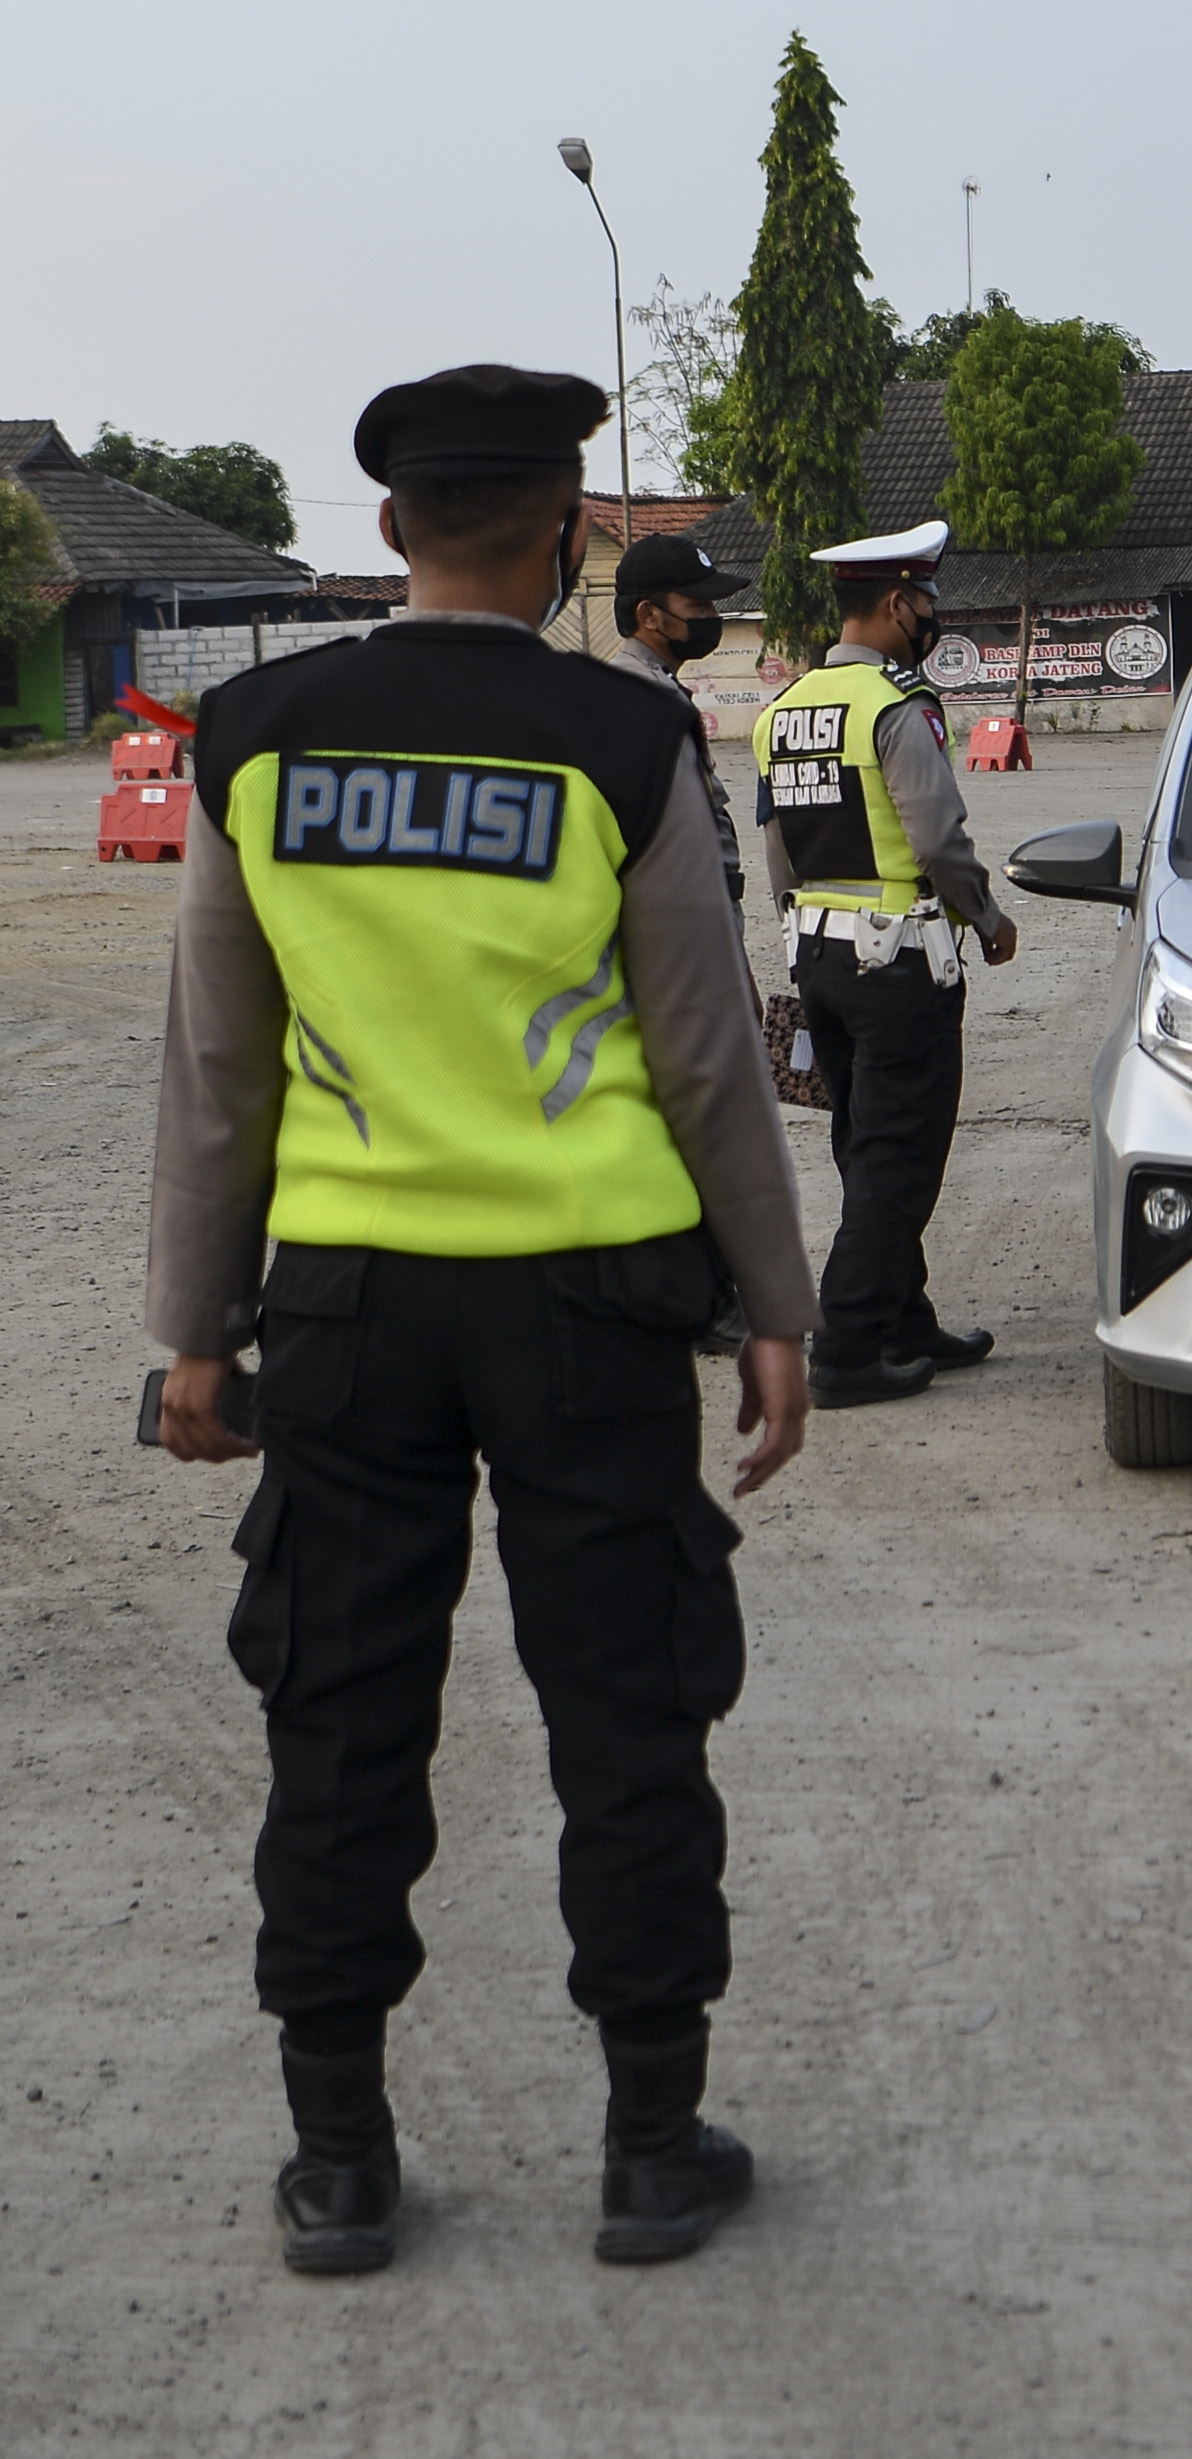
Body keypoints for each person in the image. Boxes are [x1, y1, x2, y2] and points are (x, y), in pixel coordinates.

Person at [146, 364, 819, 2273]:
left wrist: (196, 1329)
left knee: (342, 1711)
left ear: (386, 533)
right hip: (591, 1303)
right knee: (628, 1698)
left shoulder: (254, 738)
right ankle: (651, 2141)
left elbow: (220, 1061)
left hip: (347, 1306)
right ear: (565, 537)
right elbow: (701, 1052)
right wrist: (775, 1303)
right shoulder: (616, 739)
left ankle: (340, 2159)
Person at [752, 519, 1019, 1410]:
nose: (932, 619)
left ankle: (904, 1317)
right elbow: (937, 835)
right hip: (898, 962)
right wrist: (984, 915)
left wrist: (805, 939)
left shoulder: (784, 710)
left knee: (863, 1143)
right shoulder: (897, 706)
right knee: (899, 1154)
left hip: (820, 957)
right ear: (900, 603)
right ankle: (848, 1342)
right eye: (928, 603)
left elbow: (779, 854)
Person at [605, 531, 753, 907]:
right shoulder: (644, 698)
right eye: (698, 605)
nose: (712, 618)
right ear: (649, 615)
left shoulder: (645, 686)